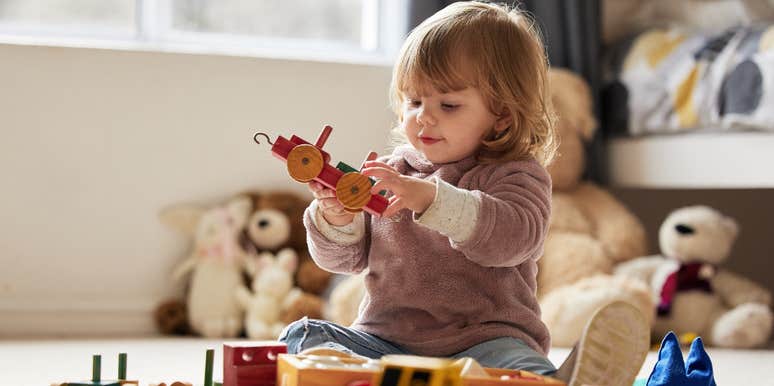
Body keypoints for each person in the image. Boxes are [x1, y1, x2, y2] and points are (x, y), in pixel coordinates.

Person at [280, 2, 649, 385]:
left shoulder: (516, 173)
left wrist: (431, 199)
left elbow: (512, 239)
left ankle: (552, 381)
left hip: (482, 342)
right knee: (303, 335)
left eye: (449, 104)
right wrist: (338, 218)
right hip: (386, 340)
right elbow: (344, 260)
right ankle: (361, 374)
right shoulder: (393, 172)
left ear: (502, 114)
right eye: (414, 101)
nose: (424, 116)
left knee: (516, 366)